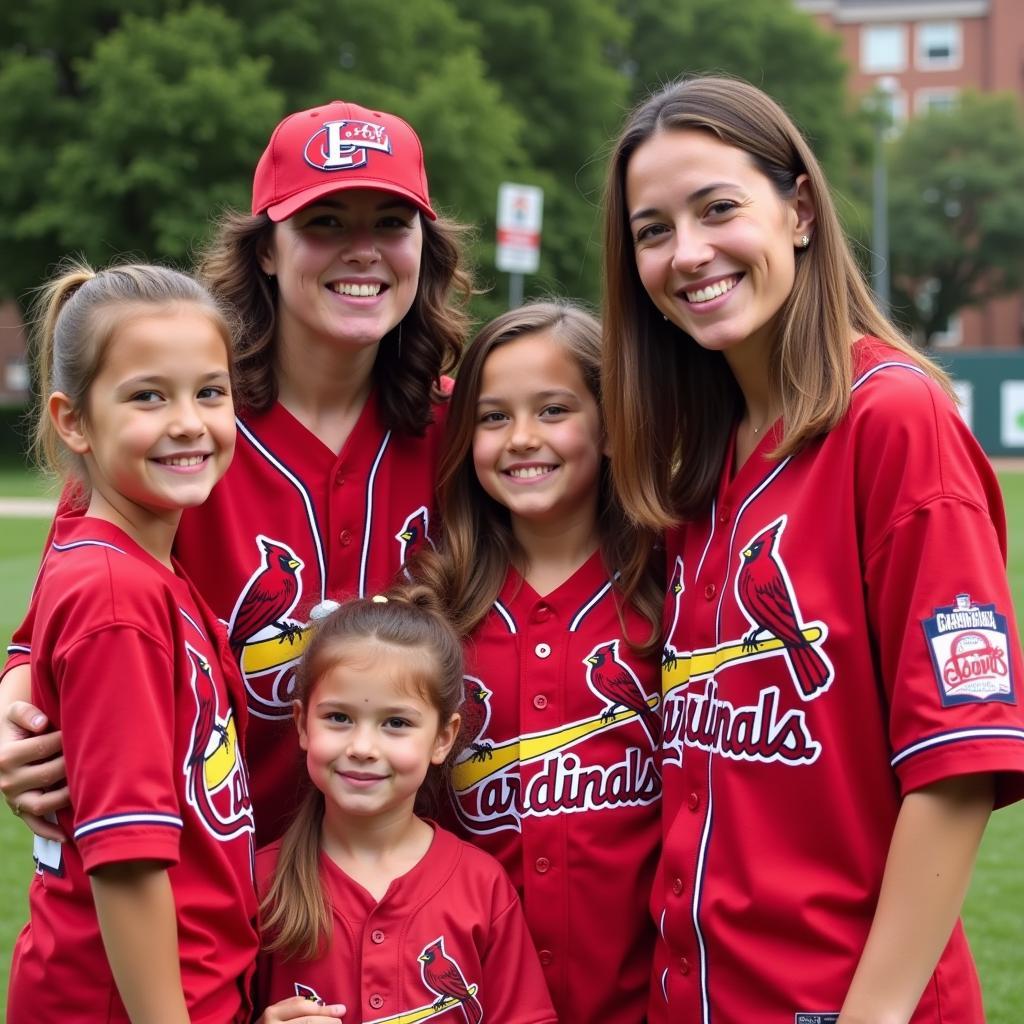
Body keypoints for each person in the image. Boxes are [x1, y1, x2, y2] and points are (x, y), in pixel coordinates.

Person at [601, 74, 1024, 1024]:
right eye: (653, 230)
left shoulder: (895, 419)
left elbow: (959, 765)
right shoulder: (694, 461)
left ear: (798, 210)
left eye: (718, 209)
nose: (688, 253)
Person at [0, 99, 472, 845]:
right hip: (214, 901)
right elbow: (46, 636)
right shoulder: (182, 439)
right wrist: (15, 725)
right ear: (265, 250)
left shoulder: (471, 433)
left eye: (390, 223)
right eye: (324, 222)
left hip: (409, 904)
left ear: (425, 247)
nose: (363, 250)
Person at [6, 263, 258, 1023]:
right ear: (74, 420)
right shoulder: (118, 598)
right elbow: (129, 861)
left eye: (209, 392)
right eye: (149, 395)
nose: (188, 421)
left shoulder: (147, 570)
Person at [412, 301, 663, 1023]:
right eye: (493, 418)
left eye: (554, 410)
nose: (522, 439)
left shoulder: (674, 592)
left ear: (612, 426)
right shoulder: (430, 614)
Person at [253, 587, 556, 1024]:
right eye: (338, 718)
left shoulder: (482, 886)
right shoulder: (262, 886)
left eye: (396, 723)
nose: (362, 747)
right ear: (302, 723)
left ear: (442, 738)